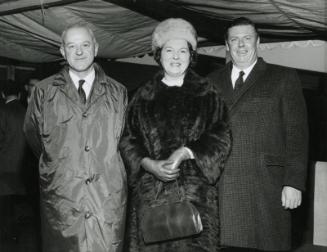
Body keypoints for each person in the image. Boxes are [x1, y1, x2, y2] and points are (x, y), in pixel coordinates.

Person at [120, 18, 231, 252]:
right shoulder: (142, 97)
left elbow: (222, 137)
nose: (176, 57)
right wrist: (148, 164)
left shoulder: (208, 94)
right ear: (158, 54)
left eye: (183, 50)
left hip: (195, 201)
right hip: (151, 199)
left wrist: (187, 152)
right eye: (169, 50)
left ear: (192, 55)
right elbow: (128, 140)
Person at [23, 22, 128, 252]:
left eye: (85, 45)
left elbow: (124, 138)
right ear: (62, 51)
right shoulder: (44, 91)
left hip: (106, 196)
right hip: (63, 195)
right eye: (72, 46)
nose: (79, 52)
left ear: (96, 48)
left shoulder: (118, 92)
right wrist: (59, 165)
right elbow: (33, 136)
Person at [207, 17, 308, 251]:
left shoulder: (283, 78)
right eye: (235, 39)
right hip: (222, 185)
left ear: (258, 41)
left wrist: (293, 182)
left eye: (247, 38)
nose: (241, 45)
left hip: (265, 185)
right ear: (227, 45)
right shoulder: (211, 81)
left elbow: (297, 134)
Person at [0, 80, 28, 243]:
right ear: (19, 95)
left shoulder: (2, 111)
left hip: (3, 168)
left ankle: (7, 238)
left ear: (3, 94)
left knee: (4, 210)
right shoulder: (27, 112)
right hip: (21, 167)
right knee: (14, 207)